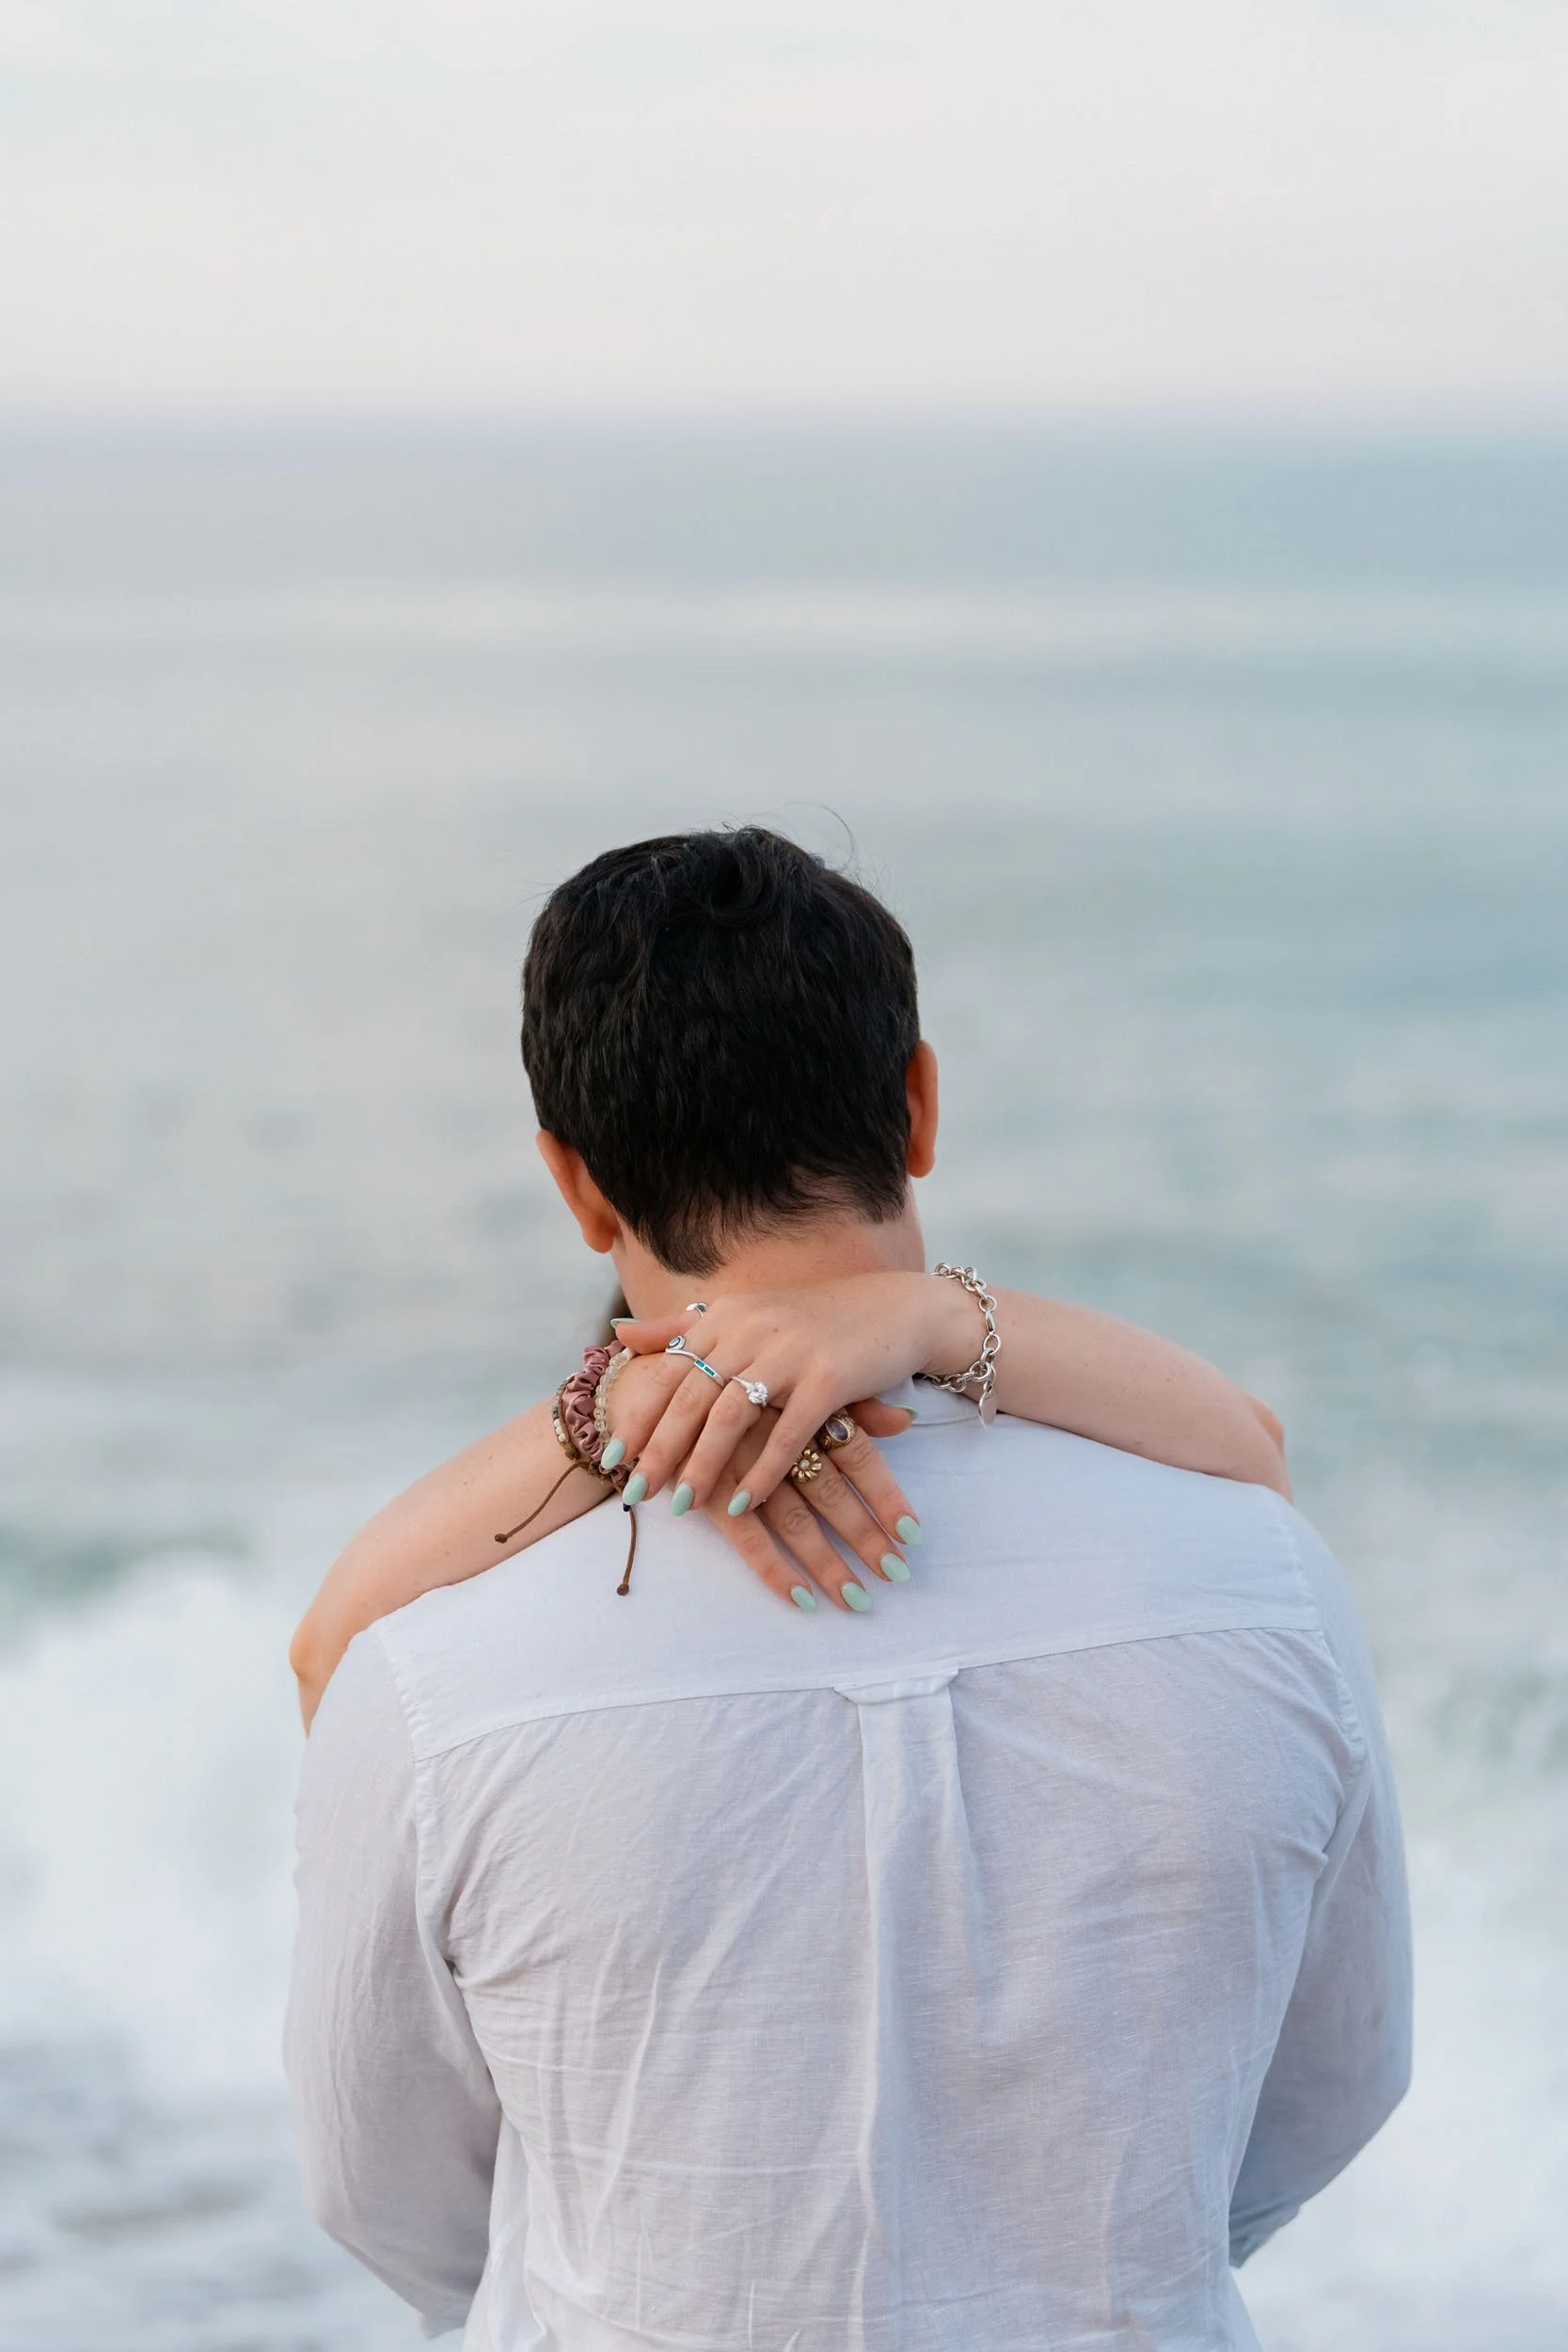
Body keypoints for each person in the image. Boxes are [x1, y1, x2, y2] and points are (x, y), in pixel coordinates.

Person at [285, 827, 1411, 2350]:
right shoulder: (1262, 1577)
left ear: (574, 1184)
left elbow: (385, 2197)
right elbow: (1333, 2087)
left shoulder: (436, 1669)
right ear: (918, 1103)